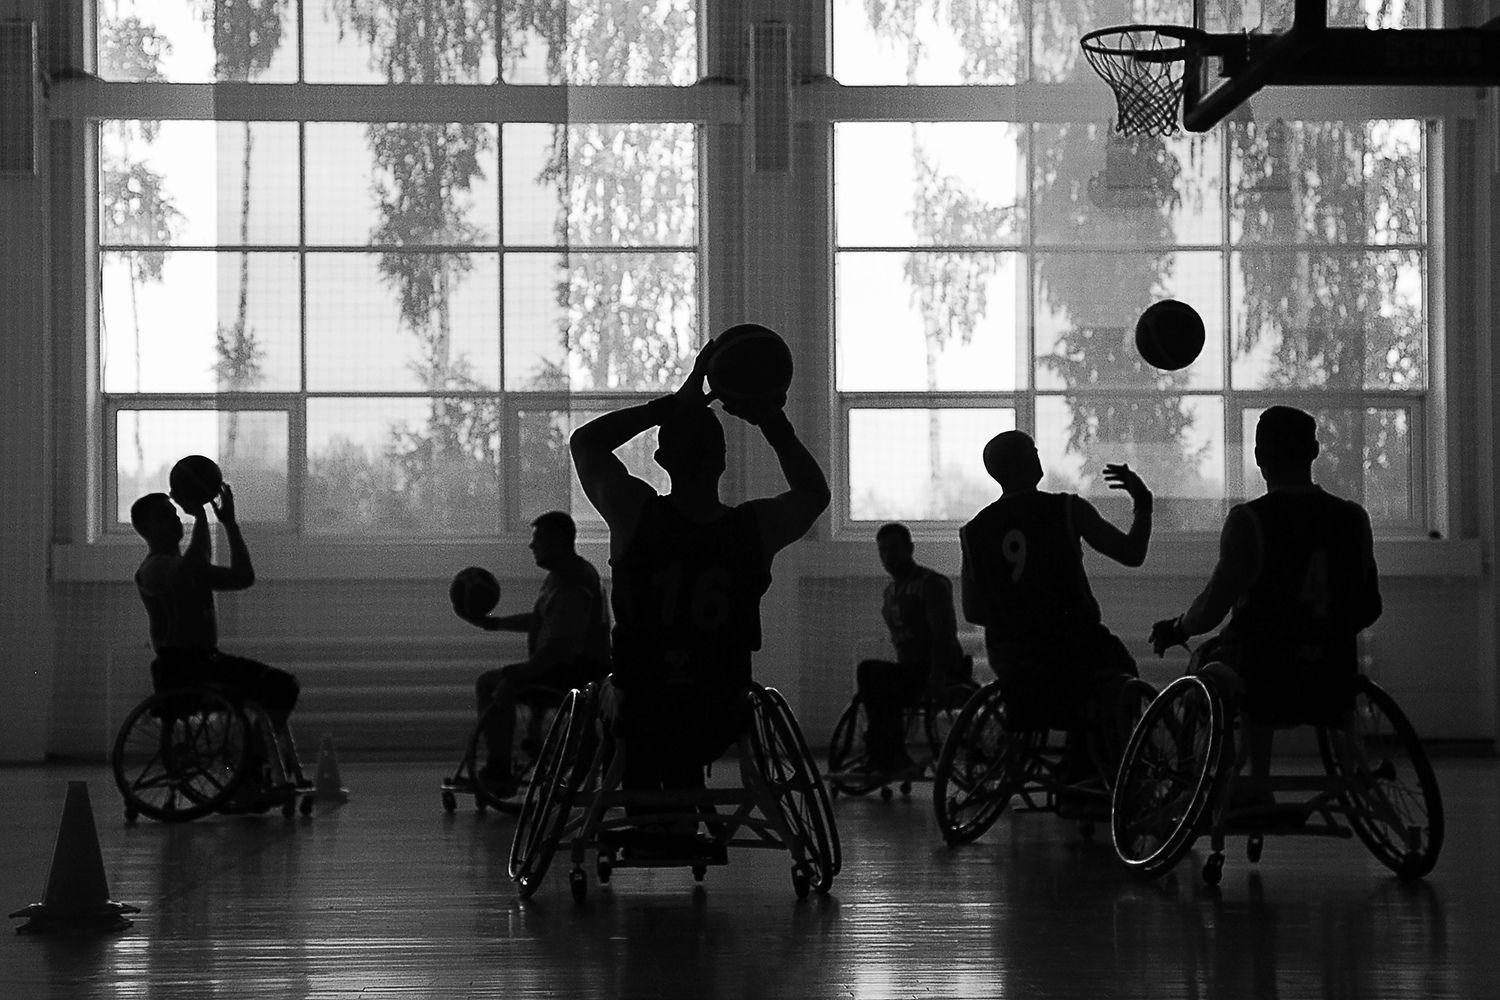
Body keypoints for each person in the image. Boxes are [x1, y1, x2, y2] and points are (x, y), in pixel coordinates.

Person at [570, 334, 830, 800]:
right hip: (719, 714)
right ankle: (680, 803)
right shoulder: (754, 528)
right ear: (723, 461)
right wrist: (771, 421)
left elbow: (585, 441)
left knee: (613, 701)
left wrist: (670, 406)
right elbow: (814, 493)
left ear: (661, 458)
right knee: (683, 717)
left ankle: (649, 811)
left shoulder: (633, 513)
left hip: (642, 709)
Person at [1149, 406, 1382, 791]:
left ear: (1259, 457)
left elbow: (1211, 609)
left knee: (1210, 660)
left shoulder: (1249, 520)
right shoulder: (1353, 518)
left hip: (1262, 682)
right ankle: (1341, 773)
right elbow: (1370, 605)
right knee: (1267, 651)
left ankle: (1212, 782)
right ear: (1314, 451)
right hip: (1331, 677)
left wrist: (1178, 628)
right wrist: (1321, 633)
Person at [960, 431, 1153, 780]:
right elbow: (1132, 553)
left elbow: (973, 611)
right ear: (1028, 461)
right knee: (1117, 675)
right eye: (1033, 451)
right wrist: (1143, 503)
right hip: (1075, 647)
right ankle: (1110, 770)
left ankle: (1077, 764)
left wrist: (1017, 616)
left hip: (1013, 658)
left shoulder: (973, 531)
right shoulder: (1067, 508)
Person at [130, 483, 305, 786]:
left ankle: (252, 760)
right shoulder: (154, 569)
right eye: (165, 516)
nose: (175, 519)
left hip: (207, 661)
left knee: (283, 686)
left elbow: (243, 577)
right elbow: (192, 567)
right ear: (146, 529)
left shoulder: (187, 566)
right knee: (278, 686)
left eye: (175, 513)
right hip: (181, 667)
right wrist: (201, 517)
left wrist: (230, 524)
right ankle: (249, 767)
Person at [460, 511, 610, 799]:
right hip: (566, 666)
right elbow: (542, 622)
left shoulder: (573, 584)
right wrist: (494, 623)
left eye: (538, 540)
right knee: (501, 682)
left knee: (490, 684)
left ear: (559, 542)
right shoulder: (562, 576)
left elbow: (560, 647)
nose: (532, 546)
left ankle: (499, 769)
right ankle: (524, 746)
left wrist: (516, 679)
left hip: (575, 672)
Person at [849, 522, 967, 780]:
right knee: (871, 675)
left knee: (873, 674)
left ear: (910, 549)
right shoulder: (891, 592)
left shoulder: (931, 584)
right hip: (911, 671)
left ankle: (888, 756)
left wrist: (937, 676)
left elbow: (944, 635)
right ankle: (886, 755)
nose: (888, 557)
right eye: (882, 551)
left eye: (893, 549)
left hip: (939, 671)